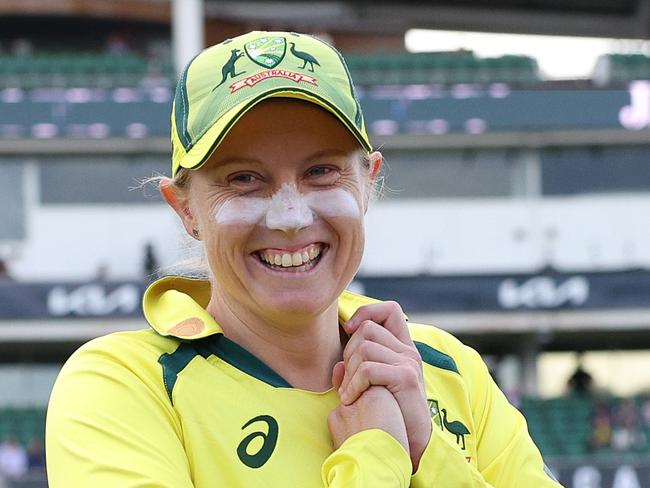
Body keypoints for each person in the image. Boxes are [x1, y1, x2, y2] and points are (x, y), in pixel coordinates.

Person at [46, 31, 562, 487]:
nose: (290, 216)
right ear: (186, 210)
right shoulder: (123, 385)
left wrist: (430, 452)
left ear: (368, 183)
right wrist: (379, 453)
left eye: (321, 172)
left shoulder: (450, 370)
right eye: (243, 178)